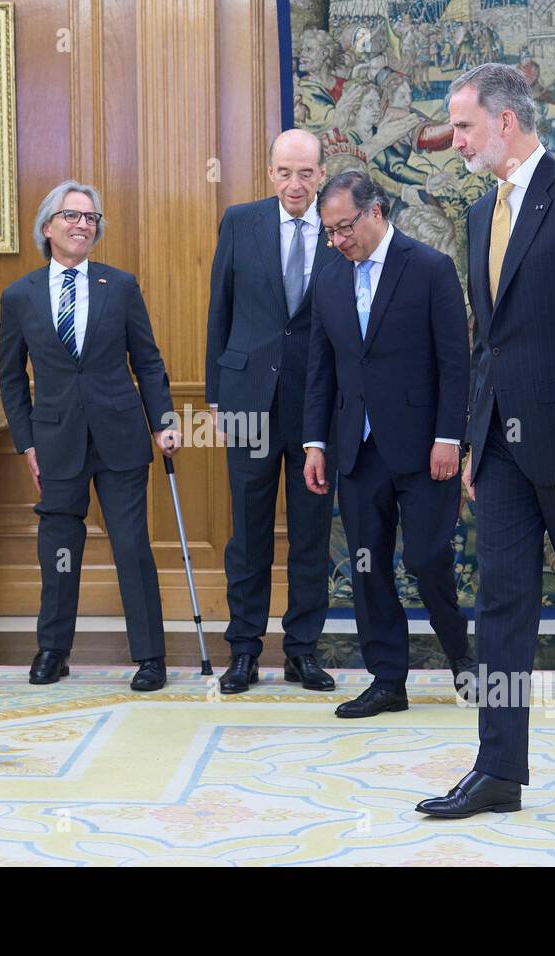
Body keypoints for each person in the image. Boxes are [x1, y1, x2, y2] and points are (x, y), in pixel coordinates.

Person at [417, 64, 555, 819]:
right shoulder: (482, 214)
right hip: (503, 450)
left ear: (506, 123)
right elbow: (489, 344)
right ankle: (499, 769)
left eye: (466, 127)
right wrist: (477, 440)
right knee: (501, 603)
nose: (458, 141)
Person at [302, 170, 476, 719]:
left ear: (376, 211)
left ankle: (462, 659)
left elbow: (456, 362)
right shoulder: (328, 275)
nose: (338, 240)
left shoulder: (430, 268)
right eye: (329, 231)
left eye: (345, 227)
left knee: (427, 560)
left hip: (426, 450)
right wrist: (314, 443)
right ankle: (387, 680)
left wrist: (452, 437)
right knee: (366, 565)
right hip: (356, 448)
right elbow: (320, 367)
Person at [0, 180, 181, 691]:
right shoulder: (19, 297)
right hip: (56, 442)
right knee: (58, 547)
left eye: (92, 218)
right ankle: (53, 650)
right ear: (47, 227)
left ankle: (150, 658)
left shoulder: (119, 286)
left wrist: (163, 422)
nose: (84, 225)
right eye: (73, 216)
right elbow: (12, 378)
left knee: (131, 546)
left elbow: (147, 361)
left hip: (120, 436)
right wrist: (27, 443)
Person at [205, 129, 343, 694]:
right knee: (249, 533)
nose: (295, 183)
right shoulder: (241, 221)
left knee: (311, 535)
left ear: (321, 173)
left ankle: (302, 651)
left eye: (306, 173)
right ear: (269, 173)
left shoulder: (341, 227)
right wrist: (216, 395)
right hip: (247, 403)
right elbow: (221, 307)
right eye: (285, 172)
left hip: (316, 406)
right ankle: (243, 650)